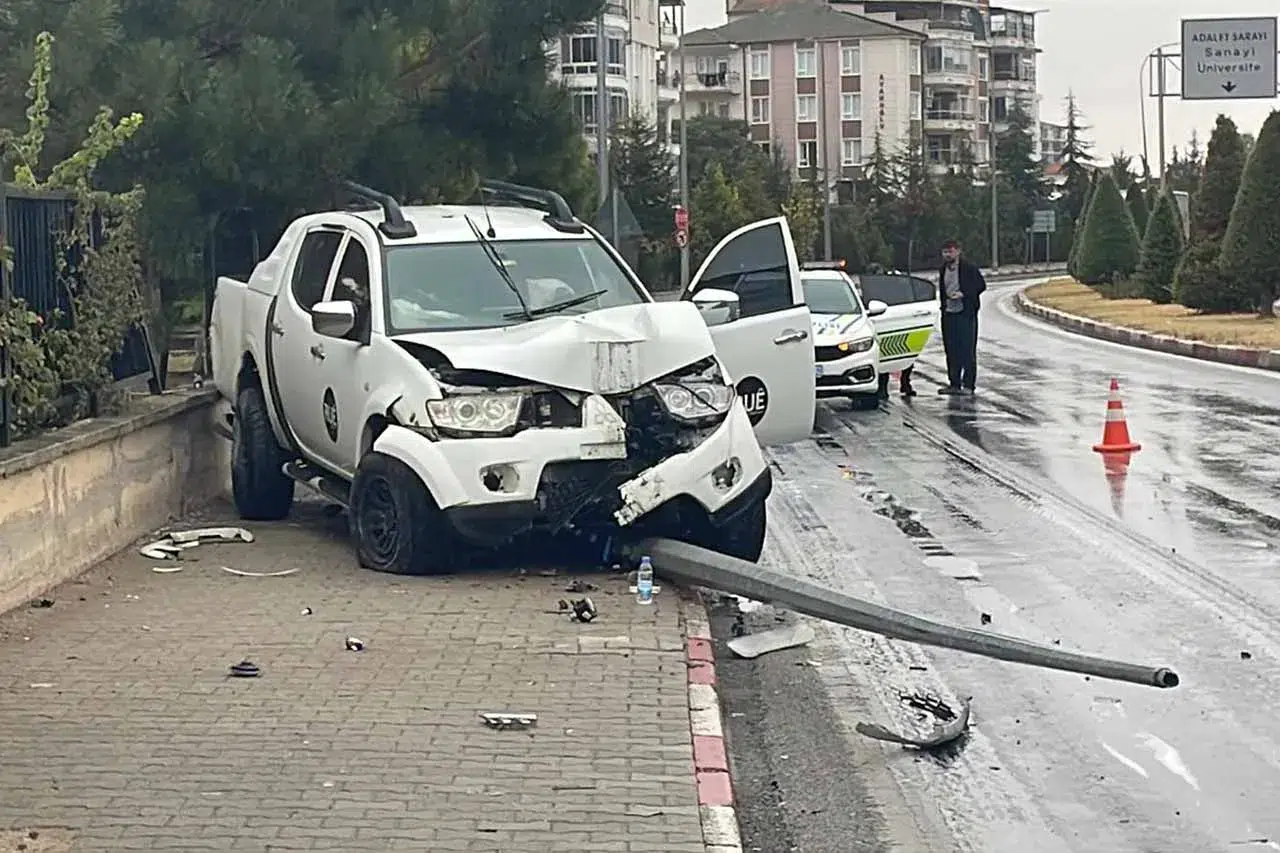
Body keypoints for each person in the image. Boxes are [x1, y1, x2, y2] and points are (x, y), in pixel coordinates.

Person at [937, 239, 986, 395]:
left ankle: (969, 385)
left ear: (958, 251)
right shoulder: (943, 269)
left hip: (965, 314)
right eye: (945, 252)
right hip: (949, 314)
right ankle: (954, 383)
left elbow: (981, 285)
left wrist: (964, 294)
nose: (947, 255)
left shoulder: (968, 268)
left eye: (950, 251)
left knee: (967, 349)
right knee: (951, 350)